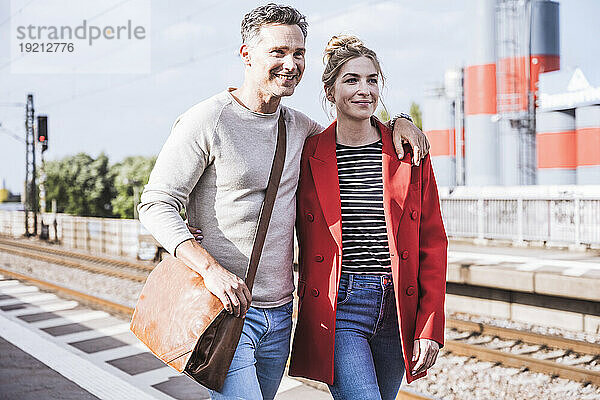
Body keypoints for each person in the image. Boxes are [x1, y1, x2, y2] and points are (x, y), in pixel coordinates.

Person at [138, 4, 430, 400]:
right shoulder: (206, 121)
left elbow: (354, 129)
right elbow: (156, 203)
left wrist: (399, 122)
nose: (290, 64)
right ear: (247, 54)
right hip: (223, 310)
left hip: (280, 315)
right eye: (278, 52)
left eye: (299, 53)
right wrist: (209, 269)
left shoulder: (302, 131)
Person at [288, 35, 448, 400]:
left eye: (372, 79)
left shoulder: (408, 152)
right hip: (340, 306)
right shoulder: (308, 153)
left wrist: (429, 326)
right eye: (351, 80)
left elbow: (433, 243)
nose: (364, 90)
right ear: (330, 91)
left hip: (398, 305)